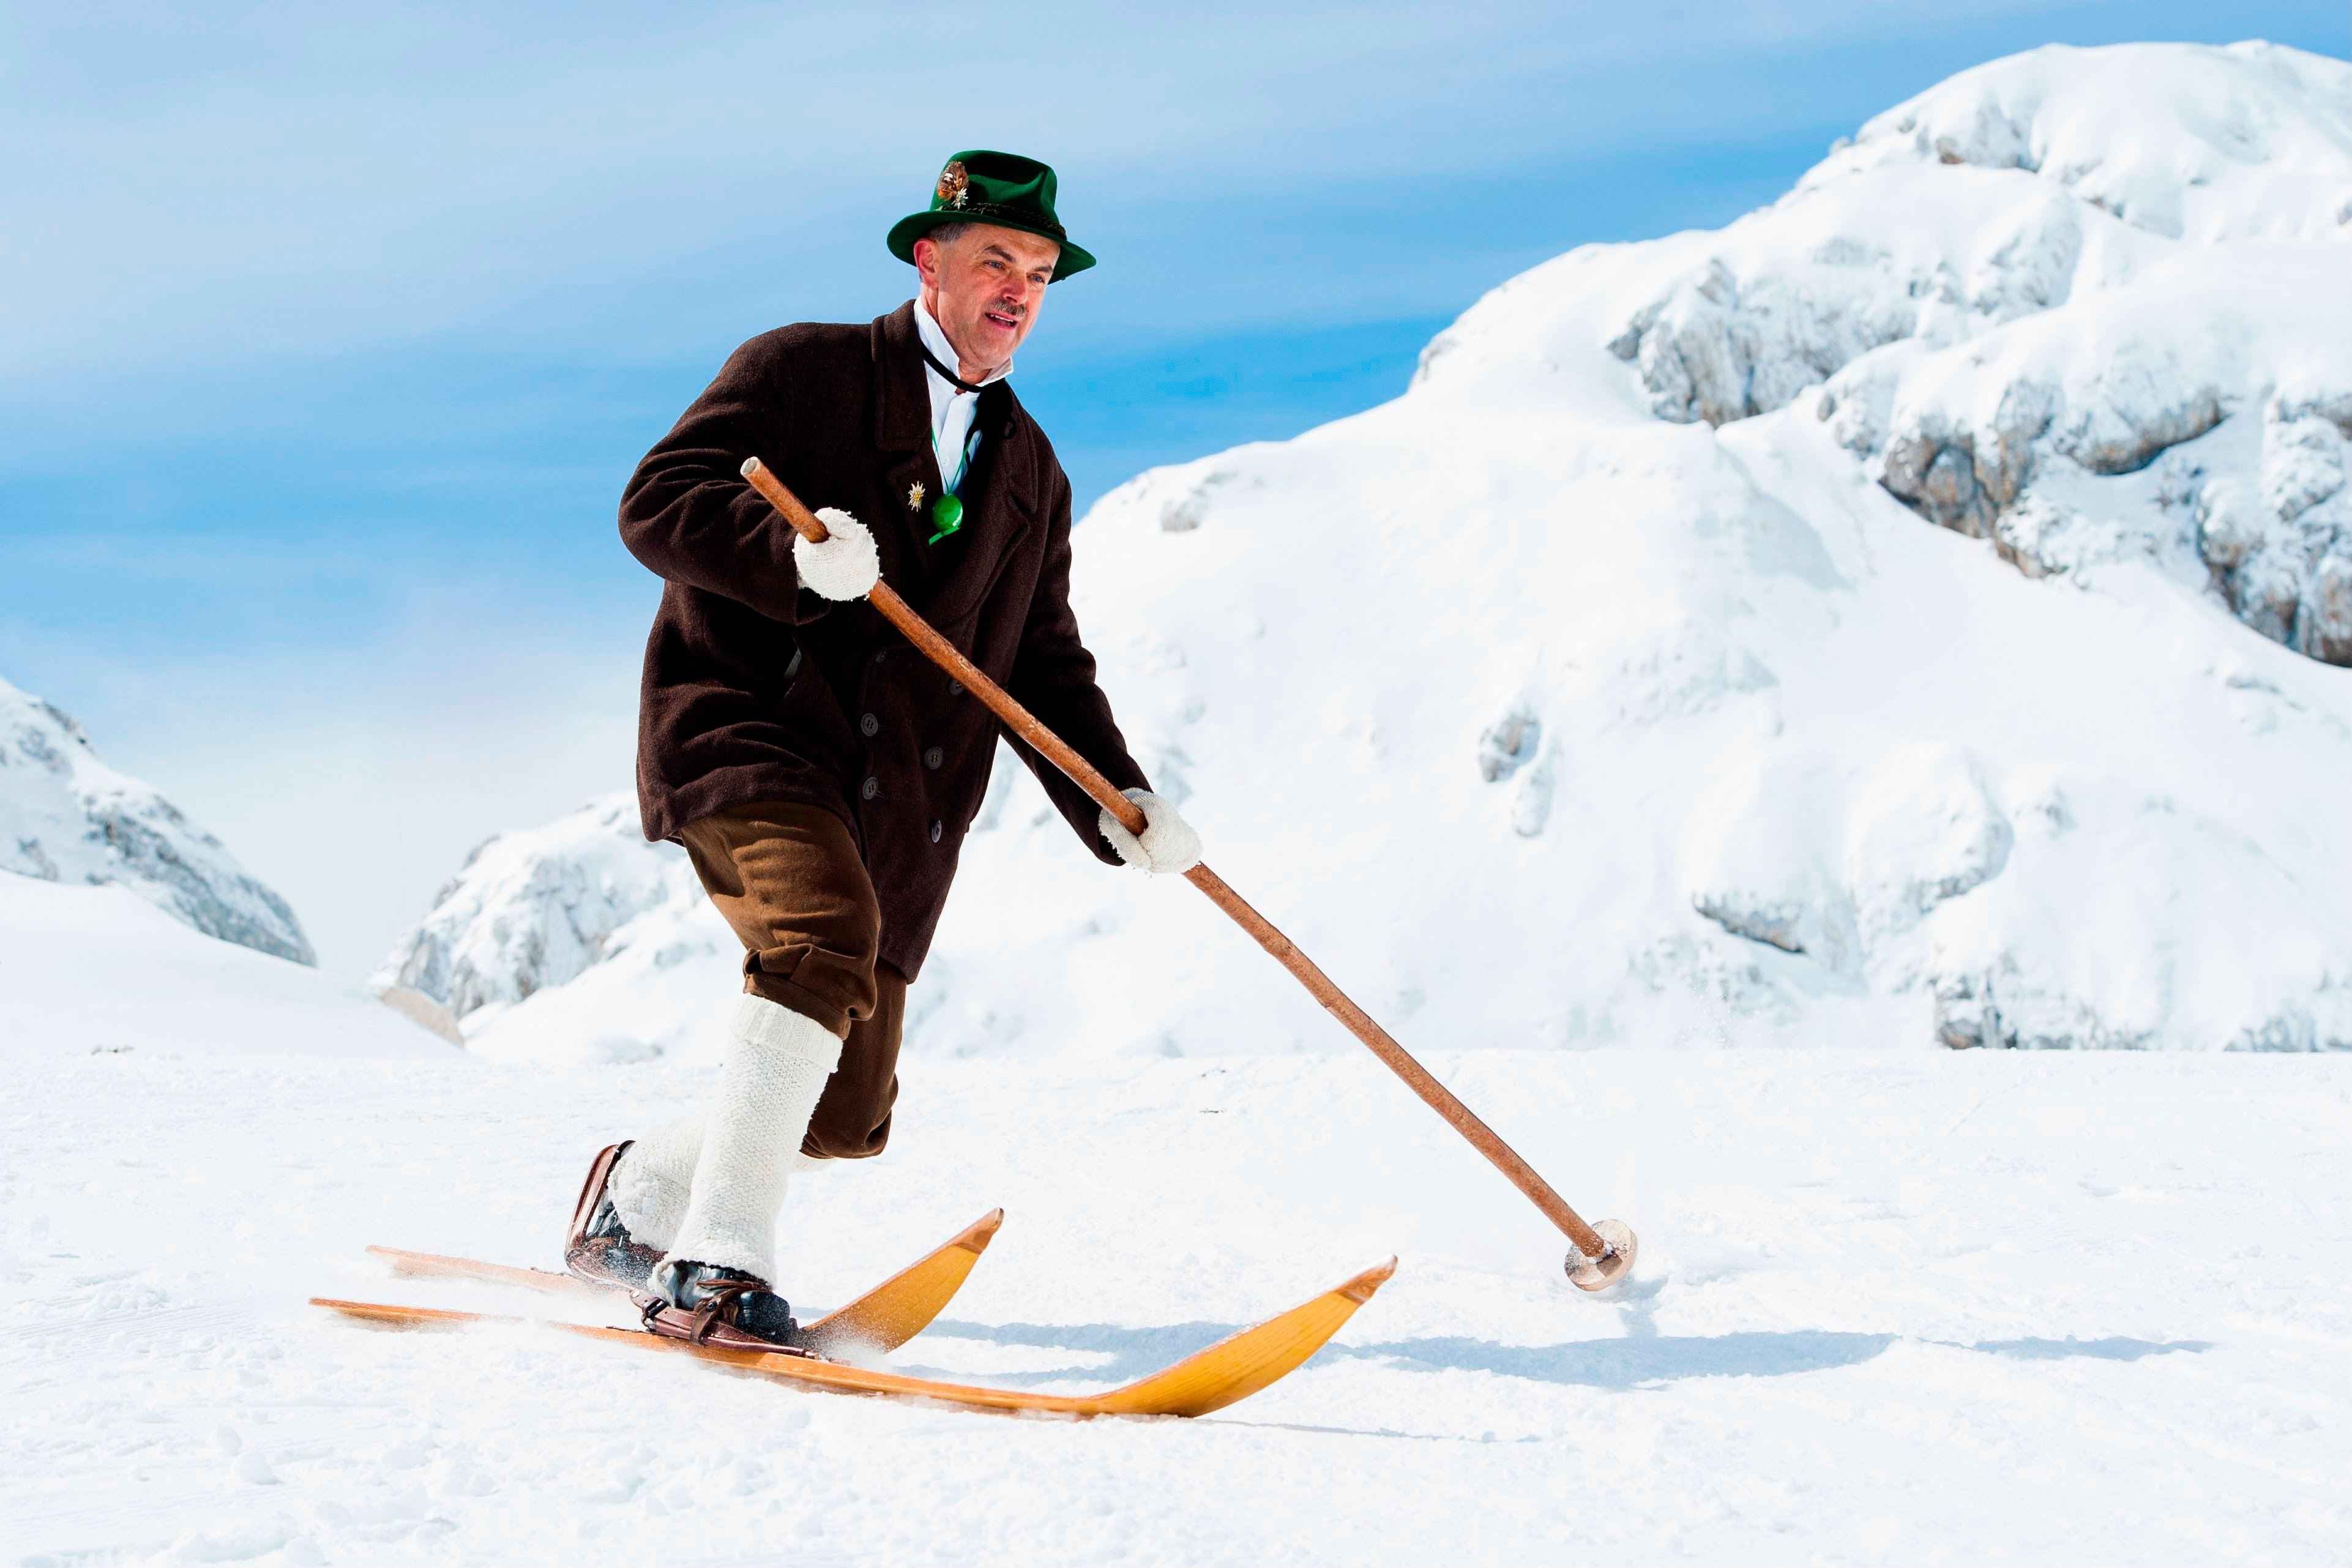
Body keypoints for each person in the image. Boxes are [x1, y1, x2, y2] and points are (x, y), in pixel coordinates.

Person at [561, 151, 1202, 1351]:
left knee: (848, 1116)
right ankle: (712, 1266)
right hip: (748, 733)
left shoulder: (1030, 474)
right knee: (816, 939)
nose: (1018, 290)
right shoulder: (800, 370)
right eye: (996, 263)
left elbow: (1041, 666)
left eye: (1041, 274)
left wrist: (1115, 796)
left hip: (899, 811)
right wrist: (788, 556)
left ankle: (637, 1194)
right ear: (930, 262)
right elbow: (657, 499)